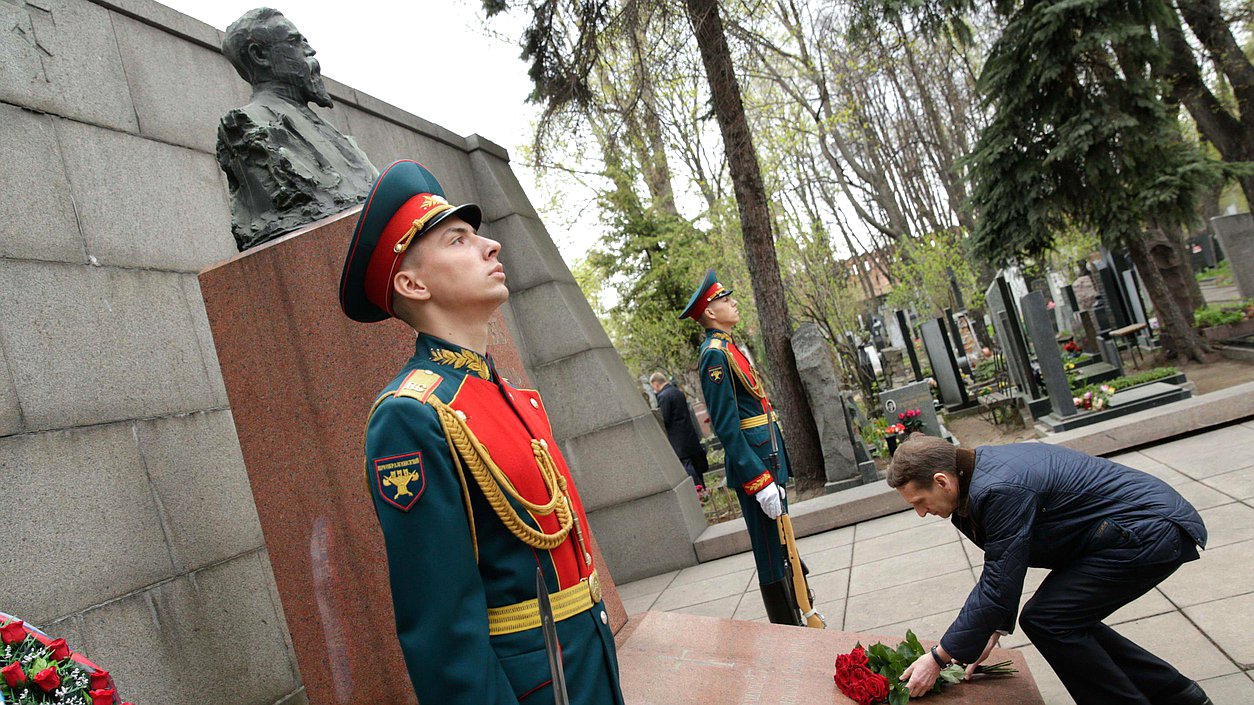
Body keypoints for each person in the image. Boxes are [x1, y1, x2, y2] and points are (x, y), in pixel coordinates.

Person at [339, 159, 624, 705]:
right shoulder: (412, 414)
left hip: (586, 662)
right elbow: (443, 632)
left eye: (479, 236)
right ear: (411, 283)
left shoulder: (506, 393)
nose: (490, 247)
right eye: (458, 240)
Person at [889, 435, 1211, 705]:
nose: (920, 513)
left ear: (941, 481)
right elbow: (1008, 565)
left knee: (1051, 619)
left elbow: (998, 580)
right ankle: (1177, 694)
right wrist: (992, 628)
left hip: (1149, 530)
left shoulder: (997, 489)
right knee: (1058, 618)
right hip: (1122, 531)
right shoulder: (971, 483)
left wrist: (938, 657)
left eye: (919, 501)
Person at [679, 270, 798, 625]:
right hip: (755, 466)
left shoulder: (730, 347)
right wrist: (758, 480)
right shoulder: (714, 355)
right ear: (711, 313)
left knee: (782, 544)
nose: (733, 302)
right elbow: (728, 428)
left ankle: (799, 611)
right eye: (724, 299)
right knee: (769, 552)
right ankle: (786, 625)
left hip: (767, 455)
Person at [218, 8, 377, 251]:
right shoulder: (246, 126)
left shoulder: (332, 133)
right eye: (295, 41)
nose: (310, 51)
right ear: (260, 55)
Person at [649, 372, 710, 497]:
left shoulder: (663, 396)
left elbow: (665, 418)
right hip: (689, 433)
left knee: (686, 464)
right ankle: (703, 488)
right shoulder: (677, 391)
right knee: (694, 463)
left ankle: (699, 492)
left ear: (656, 384)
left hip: (677, 437)